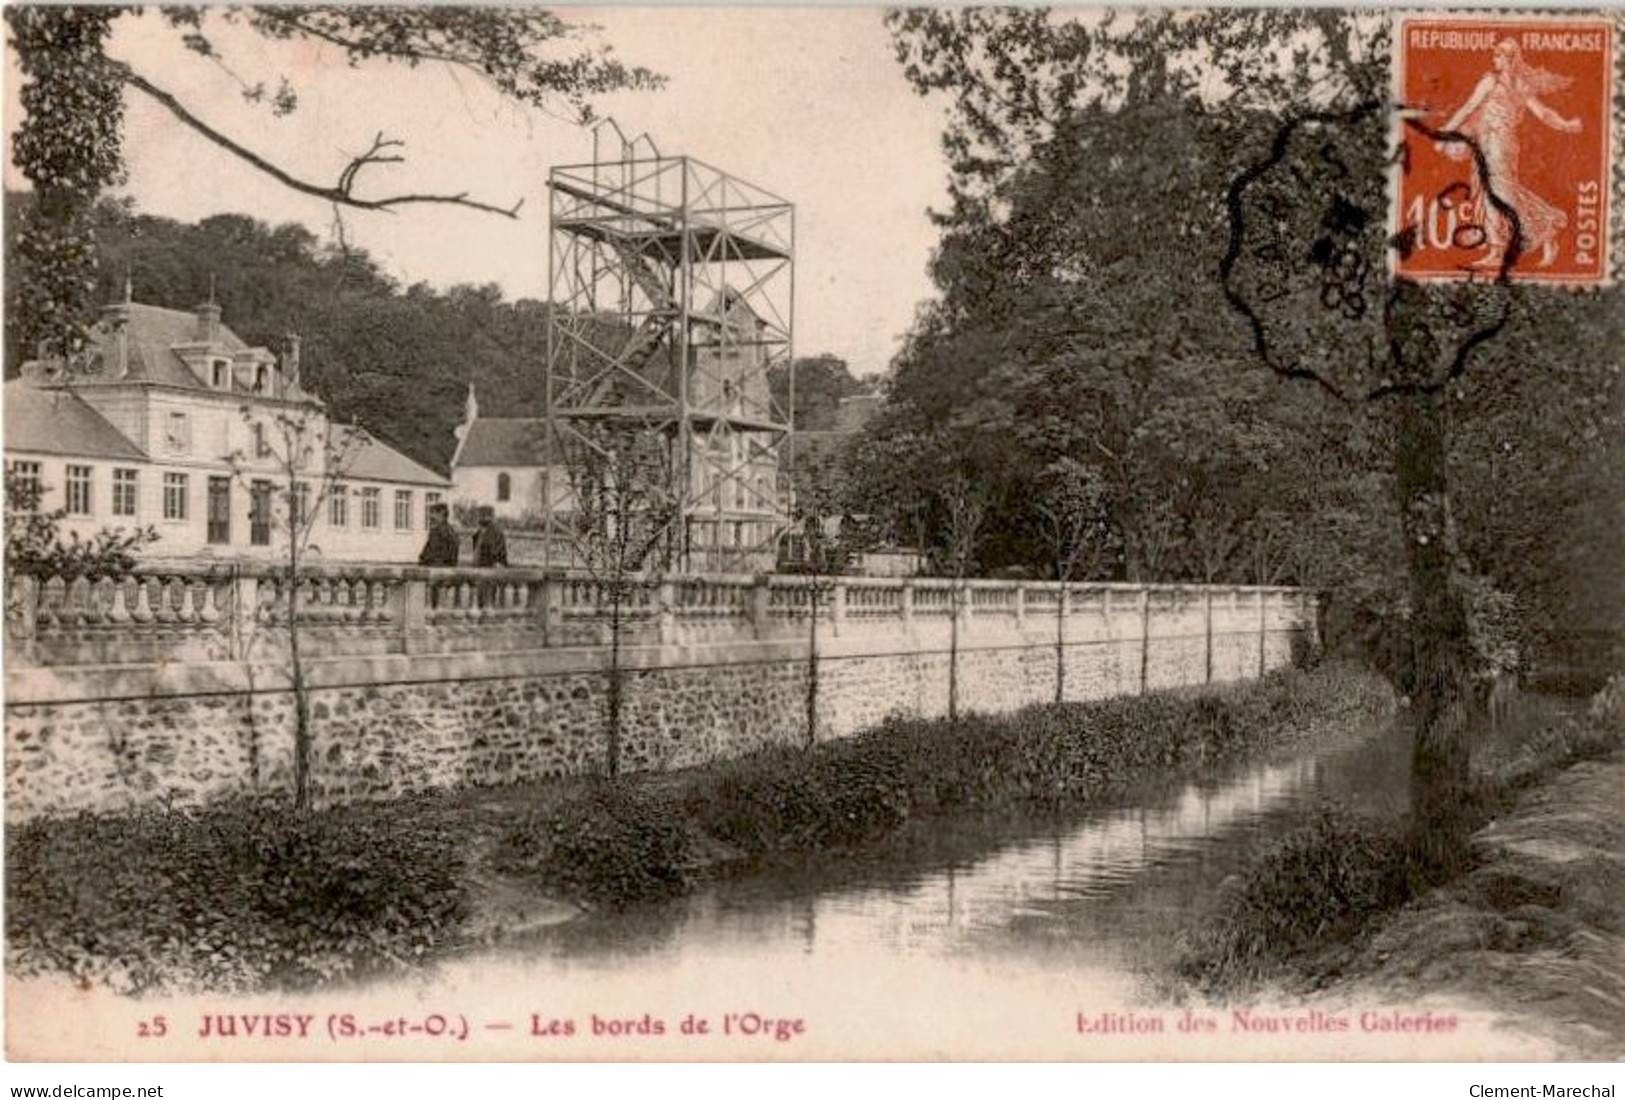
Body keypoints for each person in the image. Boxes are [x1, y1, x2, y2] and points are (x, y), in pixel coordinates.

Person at [1439, 38, 1583, 269]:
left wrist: (1565, 125)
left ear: (1511, 59)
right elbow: (1469, 108)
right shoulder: (1497, 82)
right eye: (1494, 55)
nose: (1495, 60)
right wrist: (1447, 131)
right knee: (1502, 194)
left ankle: (1498, 250)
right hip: (1487, 143)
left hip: (1500, 144)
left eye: (1499, 56)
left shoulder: (1510, 84)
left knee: (1497, 195)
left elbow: (1543, 113)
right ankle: (1544, 234)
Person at [418, 503, 460, 567]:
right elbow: (423, 556)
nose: (430, 518)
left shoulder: (450, 535)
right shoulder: (433, 534)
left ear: (443, 516)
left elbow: (449, 560)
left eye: (434, 517)